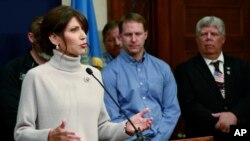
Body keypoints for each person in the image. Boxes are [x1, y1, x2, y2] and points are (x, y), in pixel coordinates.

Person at [14, 6, 152, 141]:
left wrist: (125, 128)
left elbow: (101, 128)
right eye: (74, 30)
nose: (83, 35)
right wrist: (48, 136)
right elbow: (21, 133)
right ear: (54, 38)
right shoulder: (36, 77)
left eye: (83, 30)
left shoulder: (93, 74)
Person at [102, 12, 181, 141]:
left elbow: (172, 110)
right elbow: (113, 118)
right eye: (128, 34)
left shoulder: (163, 68)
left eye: (138, 34)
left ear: (146, 35)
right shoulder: (108, 73)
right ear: (120, 36)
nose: (133, 39)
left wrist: (159, 139)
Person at [174, 16, 250, 140]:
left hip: (239, 132)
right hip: (204, 134)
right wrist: (221, 122)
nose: (209, 38)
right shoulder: (184, 70)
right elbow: (188, 105)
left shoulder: (242, 67)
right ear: (197, 39)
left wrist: (234, 116)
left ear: (223, 38)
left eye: (214, 34)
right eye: (204, 34)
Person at [0, 15, 48, 141]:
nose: (49, 45)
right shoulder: (13, 69)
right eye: (44, 40)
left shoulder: (61, 68)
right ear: (31, 38)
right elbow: (11, 116)